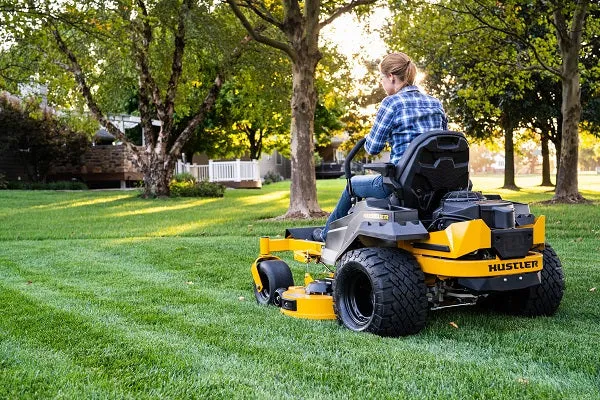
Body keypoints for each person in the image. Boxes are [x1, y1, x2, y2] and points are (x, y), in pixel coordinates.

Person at [313, 52, 448, 242]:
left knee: (351, 185)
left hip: (400, 185)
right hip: (436, 184)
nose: (381, 83)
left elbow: (373, 148)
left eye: (381, 78)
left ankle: (326, 235)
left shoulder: (391, 103)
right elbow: (443, 140)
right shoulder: (436, 104)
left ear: (391, 77)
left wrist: (371, 137)